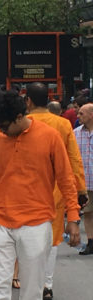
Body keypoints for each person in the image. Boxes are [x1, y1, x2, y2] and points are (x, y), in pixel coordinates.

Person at [0, 90, 81, 300]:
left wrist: (74, 217)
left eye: (4, 126)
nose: (1, 131)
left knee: (32, 289)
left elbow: (66, 179)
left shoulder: (50, 137)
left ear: (20, 117)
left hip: (36, 223)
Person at [26, 82, 87, 299]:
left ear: (28, 101)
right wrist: (80, 188)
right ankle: (47, 284)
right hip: (56, 189)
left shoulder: (23, 123)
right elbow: (73, 158)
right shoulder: (62, 124)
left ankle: (30, 282)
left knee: (25, 236)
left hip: (26, 189)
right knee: (52, 238)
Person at [74, 103, 93, 255]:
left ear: (91, 115)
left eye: (81, 114)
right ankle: (91, 242)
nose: (78, 116)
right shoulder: (75, 134)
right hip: (84, 182)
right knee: (88, 212)